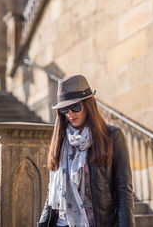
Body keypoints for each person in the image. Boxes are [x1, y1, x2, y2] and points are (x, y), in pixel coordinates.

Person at [37, 75, 135, 227]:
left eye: (75, 106)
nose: (70, 113)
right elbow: (52, 195)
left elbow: (124, 191)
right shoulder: (61, 141)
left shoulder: (112, 136)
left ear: (88, 105)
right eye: (64, 109)